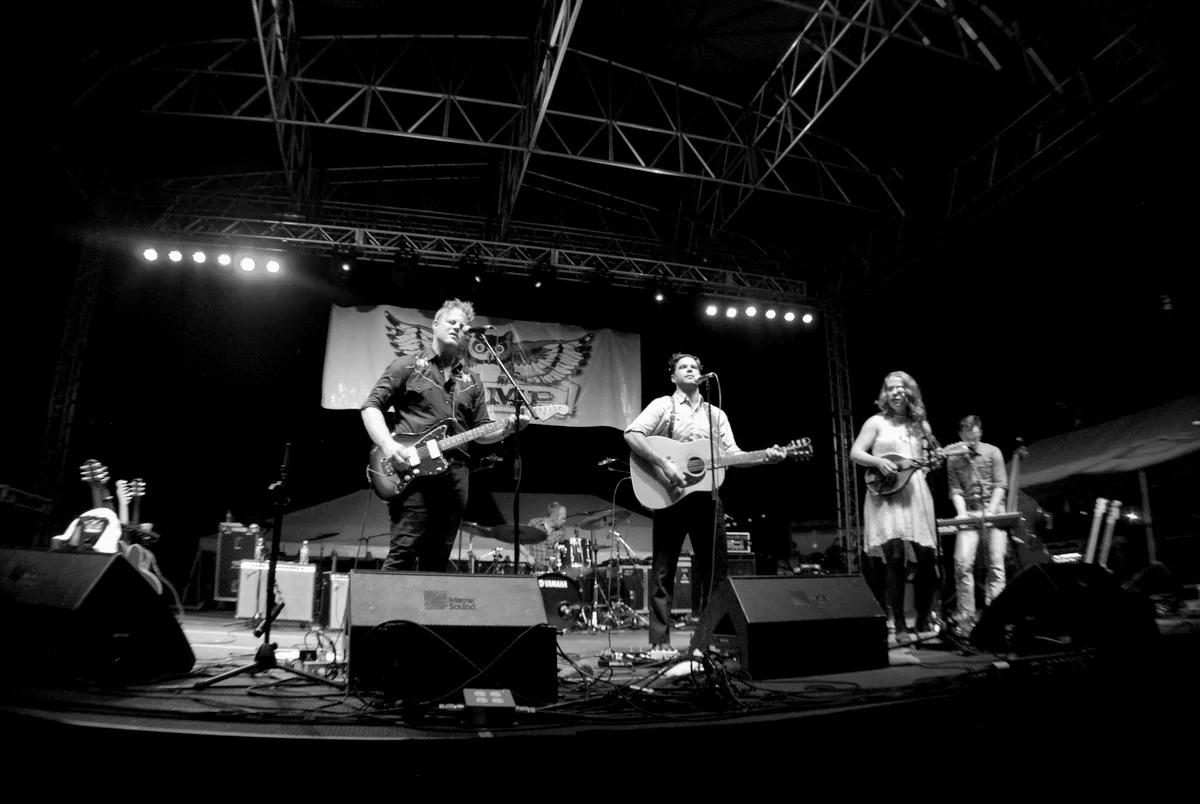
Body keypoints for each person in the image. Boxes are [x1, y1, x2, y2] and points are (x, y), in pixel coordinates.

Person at [624, 353, 786, 652]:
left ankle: (710, 639)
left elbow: (732, 455)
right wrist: (666, 464)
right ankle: (659, 642)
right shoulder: (663, 405)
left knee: (715, 572)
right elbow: (632, 434)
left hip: (707, 499)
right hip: (670, 496)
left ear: (701, 375)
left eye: (694, 367)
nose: (690, 370)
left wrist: (765, 456)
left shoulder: (716, 414)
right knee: (663, 571)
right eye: (682, 367)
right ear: (673, 376)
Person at [361, 298, 528, 572]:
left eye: (463, 327)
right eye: (452, 322)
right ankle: (386, 603)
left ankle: (429, 602)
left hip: (456, 474)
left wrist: (508, 429)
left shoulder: (472, 381)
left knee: (438, 559)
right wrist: (388, 446)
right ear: (436, 324)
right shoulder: (407, 366)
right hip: (412, 468)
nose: (457, 328)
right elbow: (371, 407)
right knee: (404, 551)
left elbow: (480, 433)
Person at [850, 370, 941, 644]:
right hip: (886, 494)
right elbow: (856, 452)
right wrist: (879, 462)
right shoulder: (876, 422)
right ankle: (899, 623)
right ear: (884, 394)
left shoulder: (921, 425)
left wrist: (933, 462)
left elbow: (927, 459)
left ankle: (923, 619)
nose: (896, 392)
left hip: (916, 494)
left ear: (909, 392)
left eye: (900, 387)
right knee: (895, 557)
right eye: (890, 388)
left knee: (926, 558)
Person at [946, 415, 1008, 633]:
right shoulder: (953, 459)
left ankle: (996, 620)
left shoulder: (993, 452)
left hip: (994, 509)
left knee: (996, 563)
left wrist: (991, 510)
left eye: (975, 437)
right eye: (967, 437)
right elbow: (955, 490)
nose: (971, 441)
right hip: (969, 511)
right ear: (960, 435)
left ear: (980, 433)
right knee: (962, 563)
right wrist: (961, 513)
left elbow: (1000, 484)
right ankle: (966, 621)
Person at [527, 501, 569, 572]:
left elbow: (560, 551)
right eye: (562, 518)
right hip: (535, 567)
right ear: (553, 517)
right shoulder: (534, 524)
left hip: (552, 569)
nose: (564, 521)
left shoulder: (561, 530)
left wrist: (555, 563)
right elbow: (520, 542)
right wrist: (527, 555)